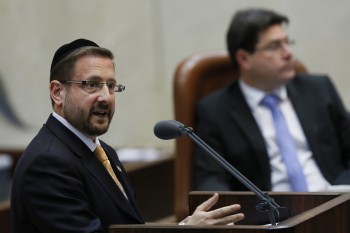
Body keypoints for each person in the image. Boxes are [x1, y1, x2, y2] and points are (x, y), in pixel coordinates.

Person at [11, 39, 244, 233]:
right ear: (58, 92)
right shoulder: (48, 164)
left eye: (111, 86)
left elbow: (130, 227)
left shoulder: (103, 152)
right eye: (92, 84)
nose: (106, 97)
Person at [194, 8, 350, 192]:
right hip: (270, 215)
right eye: (274, 46)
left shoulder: (319, 89)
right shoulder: (215, 111)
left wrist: (341, 192)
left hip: (335, 204)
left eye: (287, 42)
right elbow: (211, 179)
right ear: (244, 59)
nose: (288, 53)